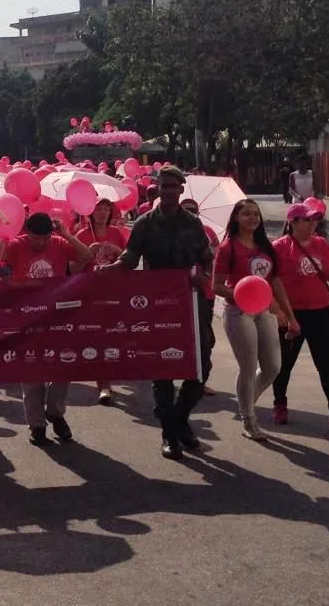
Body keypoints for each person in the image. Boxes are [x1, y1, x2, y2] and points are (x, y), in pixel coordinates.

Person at [100, 166, 214, 460]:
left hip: (191, 302)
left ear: (181, 190)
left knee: (202, 365)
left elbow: (206, 258)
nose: (167, 191)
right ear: (157, 188)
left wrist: (204, 275)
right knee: (162, 367)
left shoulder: (193, 224)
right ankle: (169, 433)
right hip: (157, 304)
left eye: (173, 187)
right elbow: (131, 257)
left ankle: (178, 418)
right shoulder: (144, 224)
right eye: (163, 186)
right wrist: (113, 269)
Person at [0, 212, 92, 446]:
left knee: (63, 367)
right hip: (26, 318)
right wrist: (6, 237)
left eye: (45, 238)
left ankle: (55, 412)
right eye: (35, 238)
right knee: (31, 374)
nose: (40, 243)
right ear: (26, 233)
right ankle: (37, 425)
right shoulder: (17, 245)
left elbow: (87, 255)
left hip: (57, 316)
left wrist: (66, 235)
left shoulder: (59, 243)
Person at [213, 199, 299, 441]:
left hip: (265, 312)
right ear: (236, 218)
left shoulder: (266, 247)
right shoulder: (228, 247)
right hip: (239, 313)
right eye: (246, 214)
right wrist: (243, 293)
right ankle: (249, 420)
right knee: (249, 367)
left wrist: (289, 315)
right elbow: (217, 286)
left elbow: (276, 282)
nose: (252, 218)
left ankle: (246, 402)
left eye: (256, 214)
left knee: (273, 367)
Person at [271, 203, 329, 431]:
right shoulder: (279, 248)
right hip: (294, 314)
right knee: (284, 364)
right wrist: (280, 312)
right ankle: (279, 404)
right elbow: (270, 283)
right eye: (307, 220)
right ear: (293, 223)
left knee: (327, 365)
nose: (313, 224)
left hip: (322, 312)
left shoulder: (321, 245)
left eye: (315, 220)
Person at [75, 198, 128, 406]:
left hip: (113, 293)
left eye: (107, 208)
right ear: (90, 211)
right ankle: (103, 384)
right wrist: (88, 253)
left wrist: (117, 251)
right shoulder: (82, 235)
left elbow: (128, 262)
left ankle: (104, 379)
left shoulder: (117, 234)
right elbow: (74, 269)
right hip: (89, 294)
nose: (103, 212)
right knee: (98, 338)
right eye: (99, 208)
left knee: (111, 337)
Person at [180, 198, 220, 396]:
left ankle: (200, 380)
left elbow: (216, 254)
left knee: (206, 339)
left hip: (206, 292)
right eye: (187, 210)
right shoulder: (175, 233)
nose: (191, 213)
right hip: (182, 293)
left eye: (194, 210)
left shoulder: (208, 231)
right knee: (185, 338)